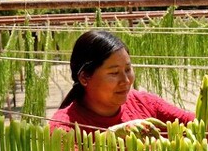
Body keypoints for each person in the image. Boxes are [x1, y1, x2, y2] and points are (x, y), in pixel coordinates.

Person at [49, 29, 194, 135]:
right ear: (84, 78)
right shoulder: (64, 126)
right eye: (114, 73)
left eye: (128, 69)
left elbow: (198, 127)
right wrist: (112, 135)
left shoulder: (144, 103)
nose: (125, 81)